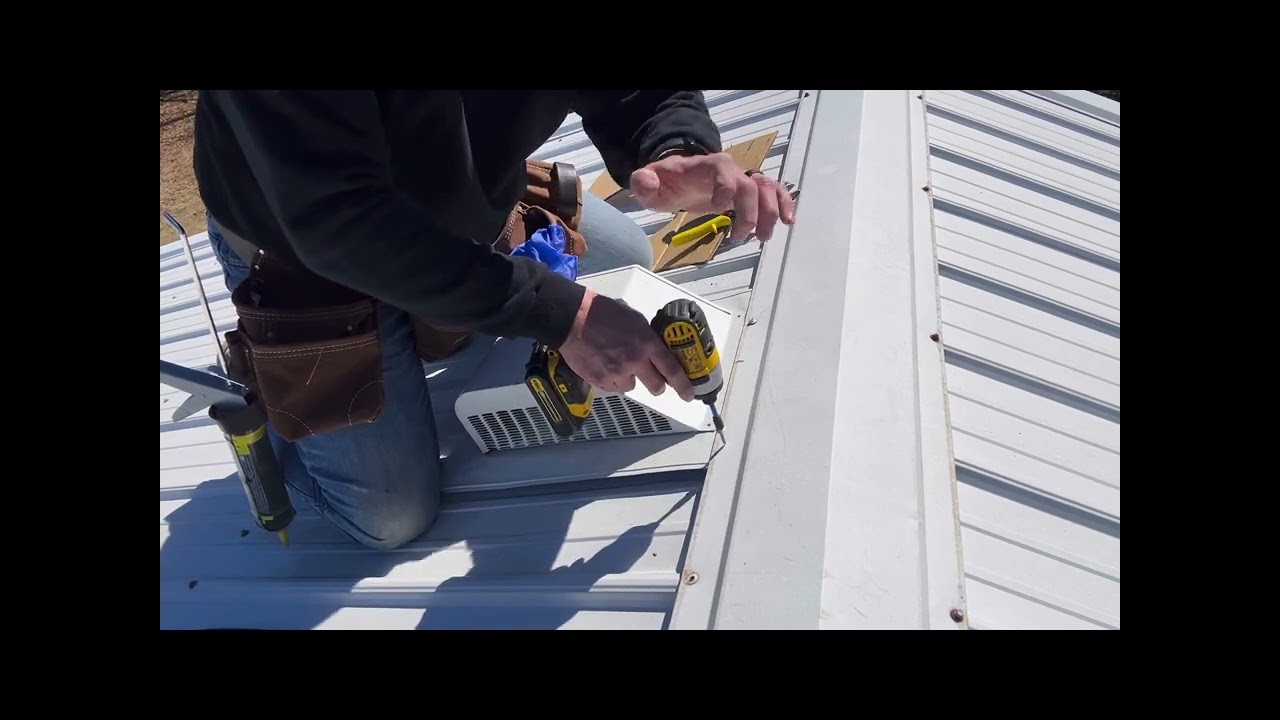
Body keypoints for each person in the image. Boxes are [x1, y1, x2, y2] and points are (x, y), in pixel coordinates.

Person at [193, 91, 797, 550]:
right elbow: (337, 220)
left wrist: (676, 146)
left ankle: (432, 297)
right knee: (389, 519)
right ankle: (275, 393)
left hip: (454, 193)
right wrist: (564, 315)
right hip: (304, 242)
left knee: (630, 257)